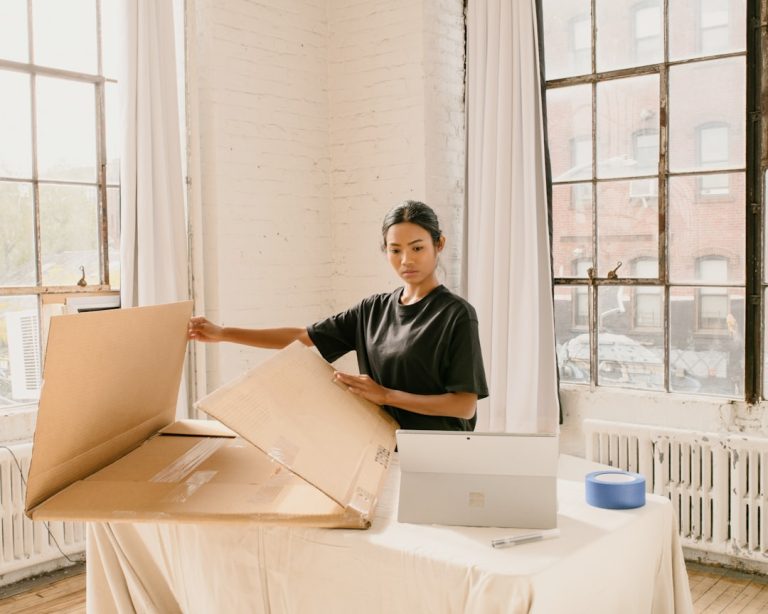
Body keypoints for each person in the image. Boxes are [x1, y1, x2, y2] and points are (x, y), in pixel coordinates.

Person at [188, 200, 488, 431]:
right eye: (395, 250)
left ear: (439, 245)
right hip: (382, 451)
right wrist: (223, 333)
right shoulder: (372, 310)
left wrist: (385, 395)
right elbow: (301, 336)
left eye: (417, 248)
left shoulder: (456, 315)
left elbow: (463, 406)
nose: (406, 260)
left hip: (439, 458)